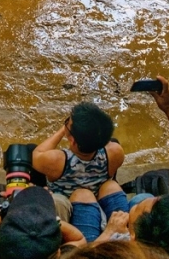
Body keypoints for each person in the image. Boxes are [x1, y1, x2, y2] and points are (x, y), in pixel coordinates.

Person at [32, 101, 125, 241]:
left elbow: (36, 154)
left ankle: (90, 238)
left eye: (68, 122)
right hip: (99, 196)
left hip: (72, 205)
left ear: (73, 140)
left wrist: (62, 130)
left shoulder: (57, 160)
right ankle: (122, 231)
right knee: (111, 185)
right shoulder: (115, 152)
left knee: (83, 194)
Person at [0, 186, 87, 259]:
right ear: (58, 254)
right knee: (60, 202)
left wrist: (8, 212)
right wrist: (49, 219)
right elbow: (79, 239)